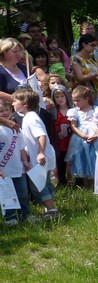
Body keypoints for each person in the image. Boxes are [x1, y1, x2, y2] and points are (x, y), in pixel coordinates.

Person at [11, 89, 60, 221]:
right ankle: (51, 208)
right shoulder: (28, 117)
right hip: (42, 155)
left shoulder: (31, 117)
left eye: (15, 101)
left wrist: (40, 153)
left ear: (25, 103)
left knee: (39, 185)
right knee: (46, 183)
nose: (13, 103)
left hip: (40, 157)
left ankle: (52, 211)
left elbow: (42, 136)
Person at [0, 100, 28, 225]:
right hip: (4, 170)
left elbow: (21, 146)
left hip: (18, 167)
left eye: (7, 110)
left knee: (22, 193)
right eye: (1, 111)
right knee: (7, 194)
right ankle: (10, 217)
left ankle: (25, 214)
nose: (5, 113)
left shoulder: (16, 127)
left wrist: (25, 161)